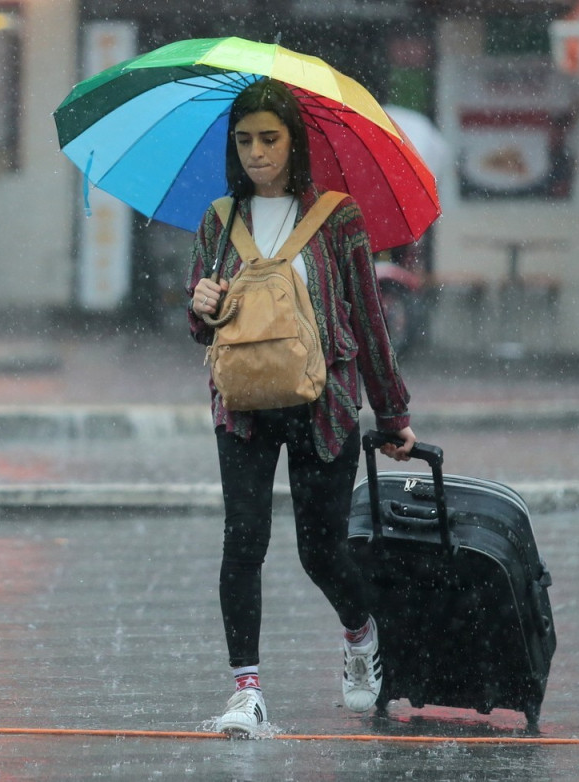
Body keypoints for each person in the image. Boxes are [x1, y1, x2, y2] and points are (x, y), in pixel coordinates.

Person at [186, 78, 418, 739]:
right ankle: (246, 692)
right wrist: (200, 304)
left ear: (294, 142)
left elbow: (369, 322)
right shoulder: (218, 220)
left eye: (270, 138)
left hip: (326, 404)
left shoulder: (337, 218)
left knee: (320, 550)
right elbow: (203, 326)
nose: (257, 153)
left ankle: (359, 632)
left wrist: (393, 414)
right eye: (245, 140)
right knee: (244, 541)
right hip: (243, 405)